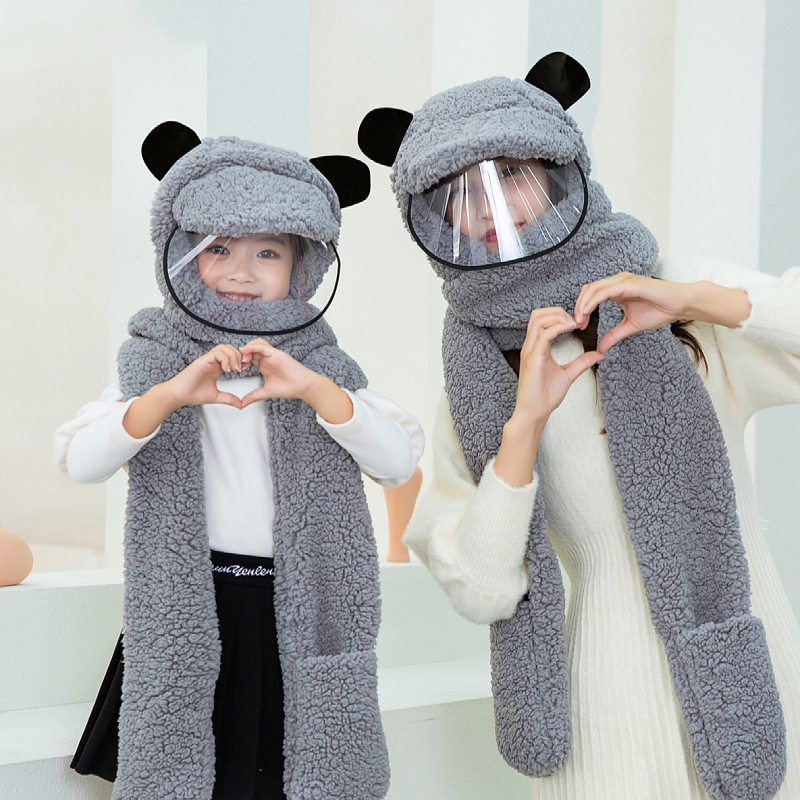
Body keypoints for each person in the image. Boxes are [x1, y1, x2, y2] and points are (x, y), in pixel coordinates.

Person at [358, 53, 800, 800]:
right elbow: (481, 592)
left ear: (560, 169)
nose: (492, 204)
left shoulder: (672, 295)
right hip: (602, 709)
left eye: (512, 173)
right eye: (459, 192)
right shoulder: (478, 375)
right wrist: (525, 422)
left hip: (754, 678)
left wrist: (695, 298)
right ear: (430, 221)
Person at [54, 122, 423, 800]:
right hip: (189, 603)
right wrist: (169, 396)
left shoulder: (323, 369)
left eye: (268, 252)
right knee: (183, 771)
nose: (240, 271)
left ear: (303, 268)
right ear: (181, 252)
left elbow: (398, 461)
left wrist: (313, 389)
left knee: (287, 779)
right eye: (218, 247)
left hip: (293, 607)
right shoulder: (156, 365)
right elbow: (80, 461)